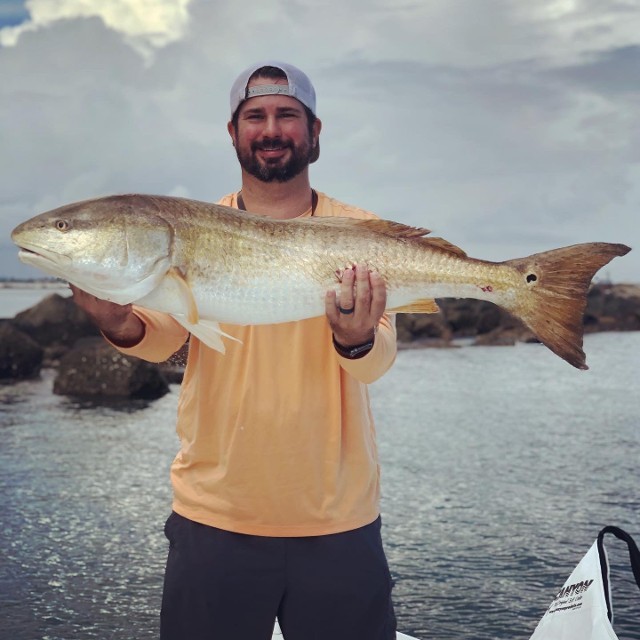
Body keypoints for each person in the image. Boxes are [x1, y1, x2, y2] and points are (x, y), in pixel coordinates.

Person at [71, 61, 398, 640]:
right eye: (255, 116)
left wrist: (357, 336)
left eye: (286, 115)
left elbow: (378, 360)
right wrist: (118, 321)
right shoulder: (193, 228)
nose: (271, 129)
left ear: (315, 131)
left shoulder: (363, 231)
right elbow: (164, 336)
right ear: (233, 133)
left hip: (338, 521)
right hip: (214, 518)